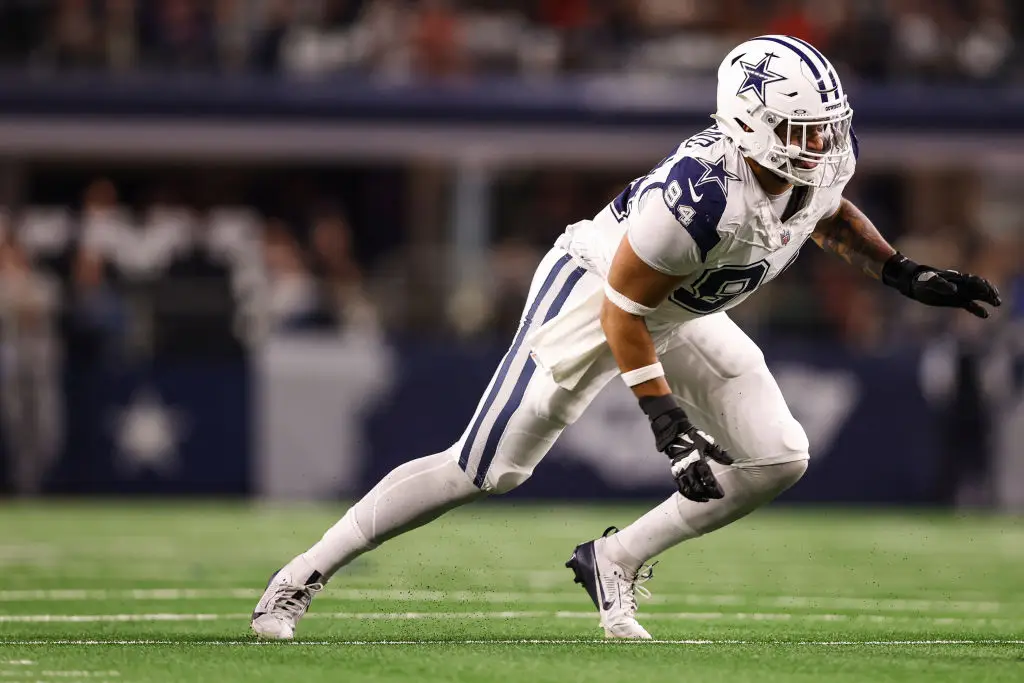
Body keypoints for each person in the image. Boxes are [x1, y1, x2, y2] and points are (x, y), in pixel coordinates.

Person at [250, 35, 1001, 640]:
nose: (821, 145)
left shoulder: (813, 164)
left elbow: (825, 212)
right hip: (593, 292)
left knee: (778, 455)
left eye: (825, 128)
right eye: (802, 131)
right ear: (748, 122)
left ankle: (614, 558)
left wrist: (901, 271)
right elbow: (621, 312)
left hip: (674, 308)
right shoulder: (702, 198)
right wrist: (667, 423)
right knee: (483, 468)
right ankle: (302, 574)